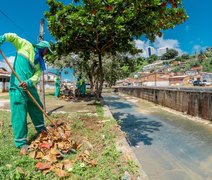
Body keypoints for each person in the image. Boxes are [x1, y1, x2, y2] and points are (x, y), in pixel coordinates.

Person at [0, 33, 52, 151]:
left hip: (29, 87)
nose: (46, 54)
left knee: (37, 108)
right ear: (43, 48)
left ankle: (41, 130)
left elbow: (37, 75)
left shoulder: (39, 62)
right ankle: (21, 142)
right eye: (47, 51)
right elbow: (12, 36)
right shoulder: (25, 45)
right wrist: (2, 39)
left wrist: (28, 82)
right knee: (20, 114)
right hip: (17, 87)